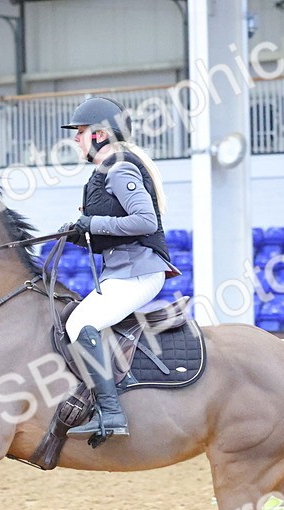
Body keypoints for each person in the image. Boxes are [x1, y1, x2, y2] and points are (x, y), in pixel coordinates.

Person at [58, 97, 178, 446]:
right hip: (122, 271)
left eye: (81, 132)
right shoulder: (106, 171)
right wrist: (80, 233)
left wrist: (92, 223)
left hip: (137, 272)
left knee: (80, 324)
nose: (76, 139)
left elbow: (145, 221)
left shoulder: (120, 169)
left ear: (100, 135)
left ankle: (110, 412)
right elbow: (113, 229)